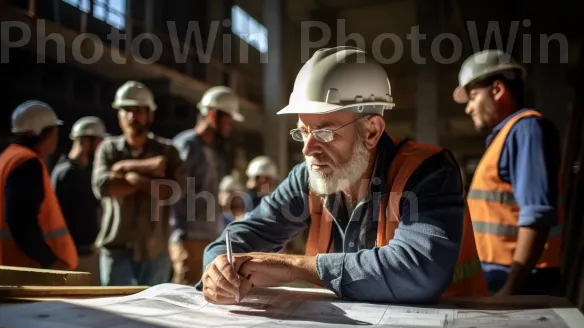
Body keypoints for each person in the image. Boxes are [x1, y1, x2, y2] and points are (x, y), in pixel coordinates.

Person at [197, 46, 489, 304]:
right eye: (303, 132)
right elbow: (240, 237)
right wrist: (218, 269)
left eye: (324, 132)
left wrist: (295, 267)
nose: (309, 149)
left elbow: (420, 271)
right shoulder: (308, 178)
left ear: (371, 131)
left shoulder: (428, 172)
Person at [454, 50, 564, 296]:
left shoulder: (527, 130)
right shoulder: (505, 137)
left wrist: (512, 288)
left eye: (472, 97)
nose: (469, 108)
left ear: (497, 90)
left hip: (522, 280)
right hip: (500, 275)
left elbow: (536, 215)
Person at [92, 81, 188, 286]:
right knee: (115, 313)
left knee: (152, 314)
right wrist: (148, 169)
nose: (131, 117)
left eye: (138, 111)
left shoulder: (168, 151)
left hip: (155, 250)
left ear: (150, 114)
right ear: (118, 114)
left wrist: (128, 174)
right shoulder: (108, 149)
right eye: (126, 110)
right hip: (116, 247)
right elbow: (104, 187)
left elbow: (175, 192)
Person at [0, 100, 77, 270]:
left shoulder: (4, 160)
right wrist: (51, 261)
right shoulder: (27, 163)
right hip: (23, 269)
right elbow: (22, 222)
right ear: (44, 133)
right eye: (55, 131)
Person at [169, 86, 245, 285]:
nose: (230, 126)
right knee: (184, 296)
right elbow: (173, 190)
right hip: (189, 238)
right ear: (212, 114)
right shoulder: (187, 145)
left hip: (210, 235)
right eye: (228, 119)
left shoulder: (214, 151)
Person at [51, 116, 107, 285]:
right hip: (71, 256)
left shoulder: (88, 172)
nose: (101, 148)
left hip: (88, 253)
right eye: (98, 142)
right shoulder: (65, 173)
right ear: (85, 141)